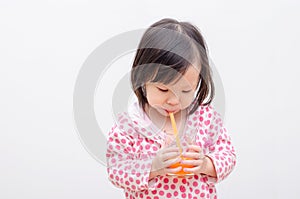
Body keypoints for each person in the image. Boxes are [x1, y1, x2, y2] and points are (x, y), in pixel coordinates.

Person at [106, 18, 236, 199]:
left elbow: (227, 154)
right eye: (163, 89)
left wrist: (205, 164)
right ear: (142, 79)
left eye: (185, 90)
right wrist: (152, 167)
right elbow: (116, 170)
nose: (174, 100)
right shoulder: (129, 126)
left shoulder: (206, 118)